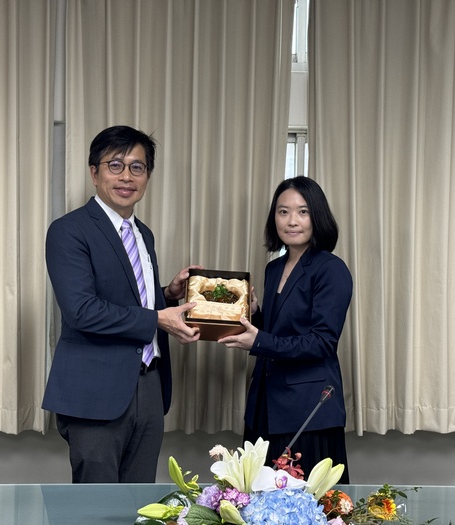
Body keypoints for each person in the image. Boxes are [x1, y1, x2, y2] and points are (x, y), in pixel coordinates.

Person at [42, 125, 201, 483]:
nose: (126, 176)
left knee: (139, 505)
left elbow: (130, 299)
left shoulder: (142, 233)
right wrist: (158, 318)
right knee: (96, 510)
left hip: (149, 386)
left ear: (147, 176)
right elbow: (82, 310)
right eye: (115, 165)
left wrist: (169, 294)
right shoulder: (69, 230)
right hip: (95, 390)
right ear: (94, 173)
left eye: (137, 167)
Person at [219, 176, 352, 483]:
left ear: (317, 217)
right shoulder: (274, 268)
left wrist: (258, 340)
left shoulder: (331, 268)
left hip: (307, 409)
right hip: (265, 405)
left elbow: (321, 343)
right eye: (283, 212)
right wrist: (254, 314)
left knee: (306, 508)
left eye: (302, 212)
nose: (292, 221)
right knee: (257, 502)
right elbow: (282, 331)